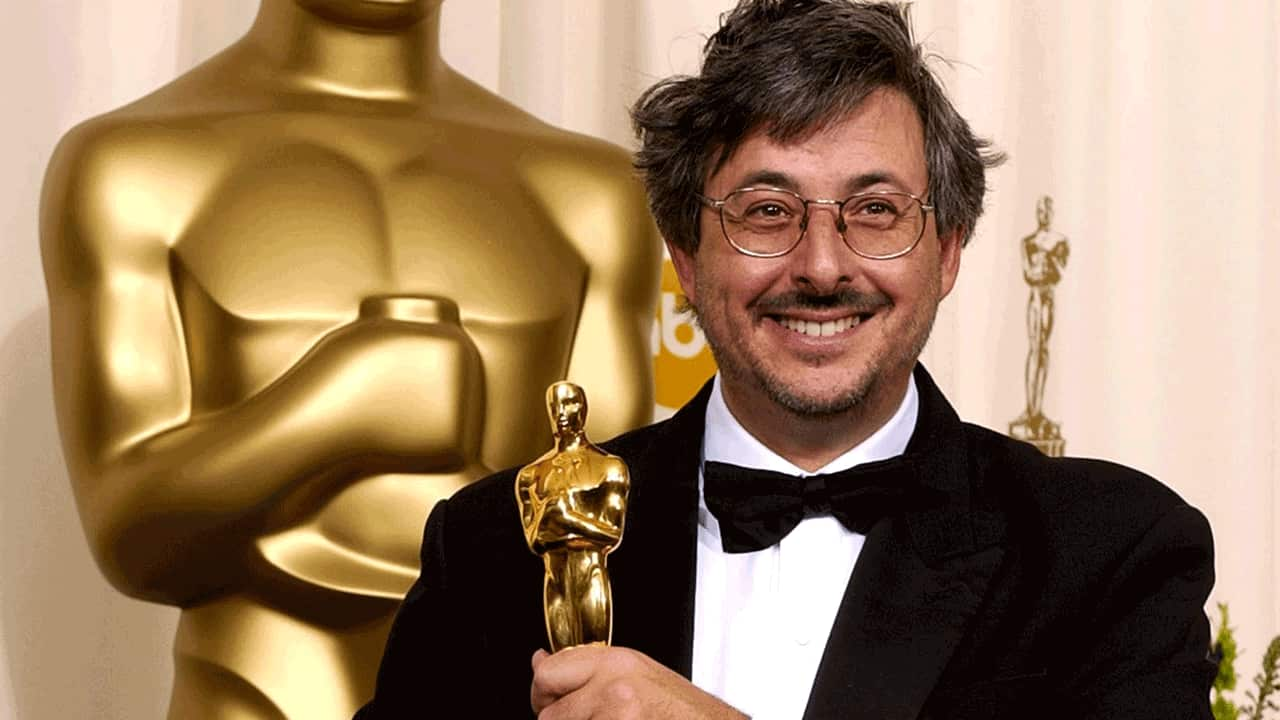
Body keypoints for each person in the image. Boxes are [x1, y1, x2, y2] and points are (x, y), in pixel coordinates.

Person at [356, 1, 1216, 718]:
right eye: (767, 211)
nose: (821, 266)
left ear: (948, 250)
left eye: (875, 209)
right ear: (686, 256)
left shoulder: (1111, 555)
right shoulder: (493, 548)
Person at [39, 0, 658, 717]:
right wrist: (342, 404)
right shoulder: (132, 167)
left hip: (499, 693)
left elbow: (604, 540)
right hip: (252, 689)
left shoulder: (591, 193)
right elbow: (129, 533)